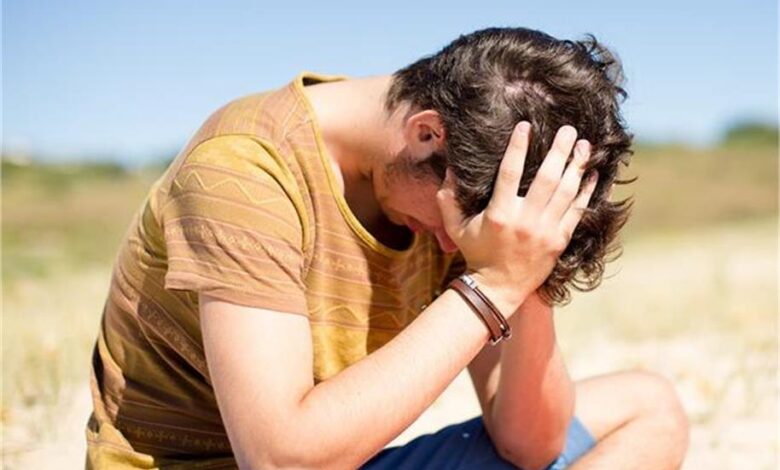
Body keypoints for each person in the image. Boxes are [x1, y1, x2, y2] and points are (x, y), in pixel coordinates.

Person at [85, 27, 689, 469]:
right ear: (426, 133)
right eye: (462, 225)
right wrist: (492, 285)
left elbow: (530, 447)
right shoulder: (246, 169)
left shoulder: (462, 189)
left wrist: (531, 270)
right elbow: (280, 459)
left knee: (649, 409)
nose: (455, 245)